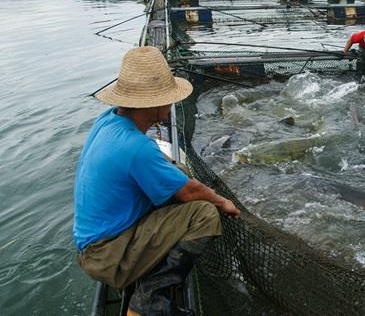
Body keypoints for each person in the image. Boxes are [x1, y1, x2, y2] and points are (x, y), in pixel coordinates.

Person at [73, 46, 240, 316]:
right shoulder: (135, 147)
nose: (171, 103)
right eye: (168, 98)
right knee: (205, 213)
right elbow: (190, 193)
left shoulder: (108, 120)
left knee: (179, 170)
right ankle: (148, 301)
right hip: (107, 255)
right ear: (154, 104)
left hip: (92, 243)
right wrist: (224, 202)